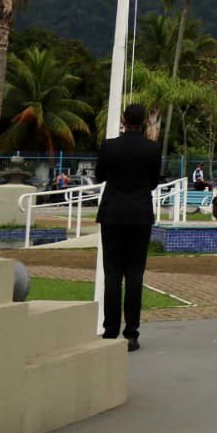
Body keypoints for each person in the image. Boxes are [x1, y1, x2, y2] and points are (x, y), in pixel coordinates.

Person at [96, 102, 161, 351]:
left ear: (123, 120)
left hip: (112, 212)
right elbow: (154, 182)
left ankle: (110, 330)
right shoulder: (152, 149)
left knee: (112, 273)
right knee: (135, 274)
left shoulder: (109, 146)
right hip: (140, 214)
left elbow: (100, 175)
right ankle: (131, 333)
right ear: (144, 121)